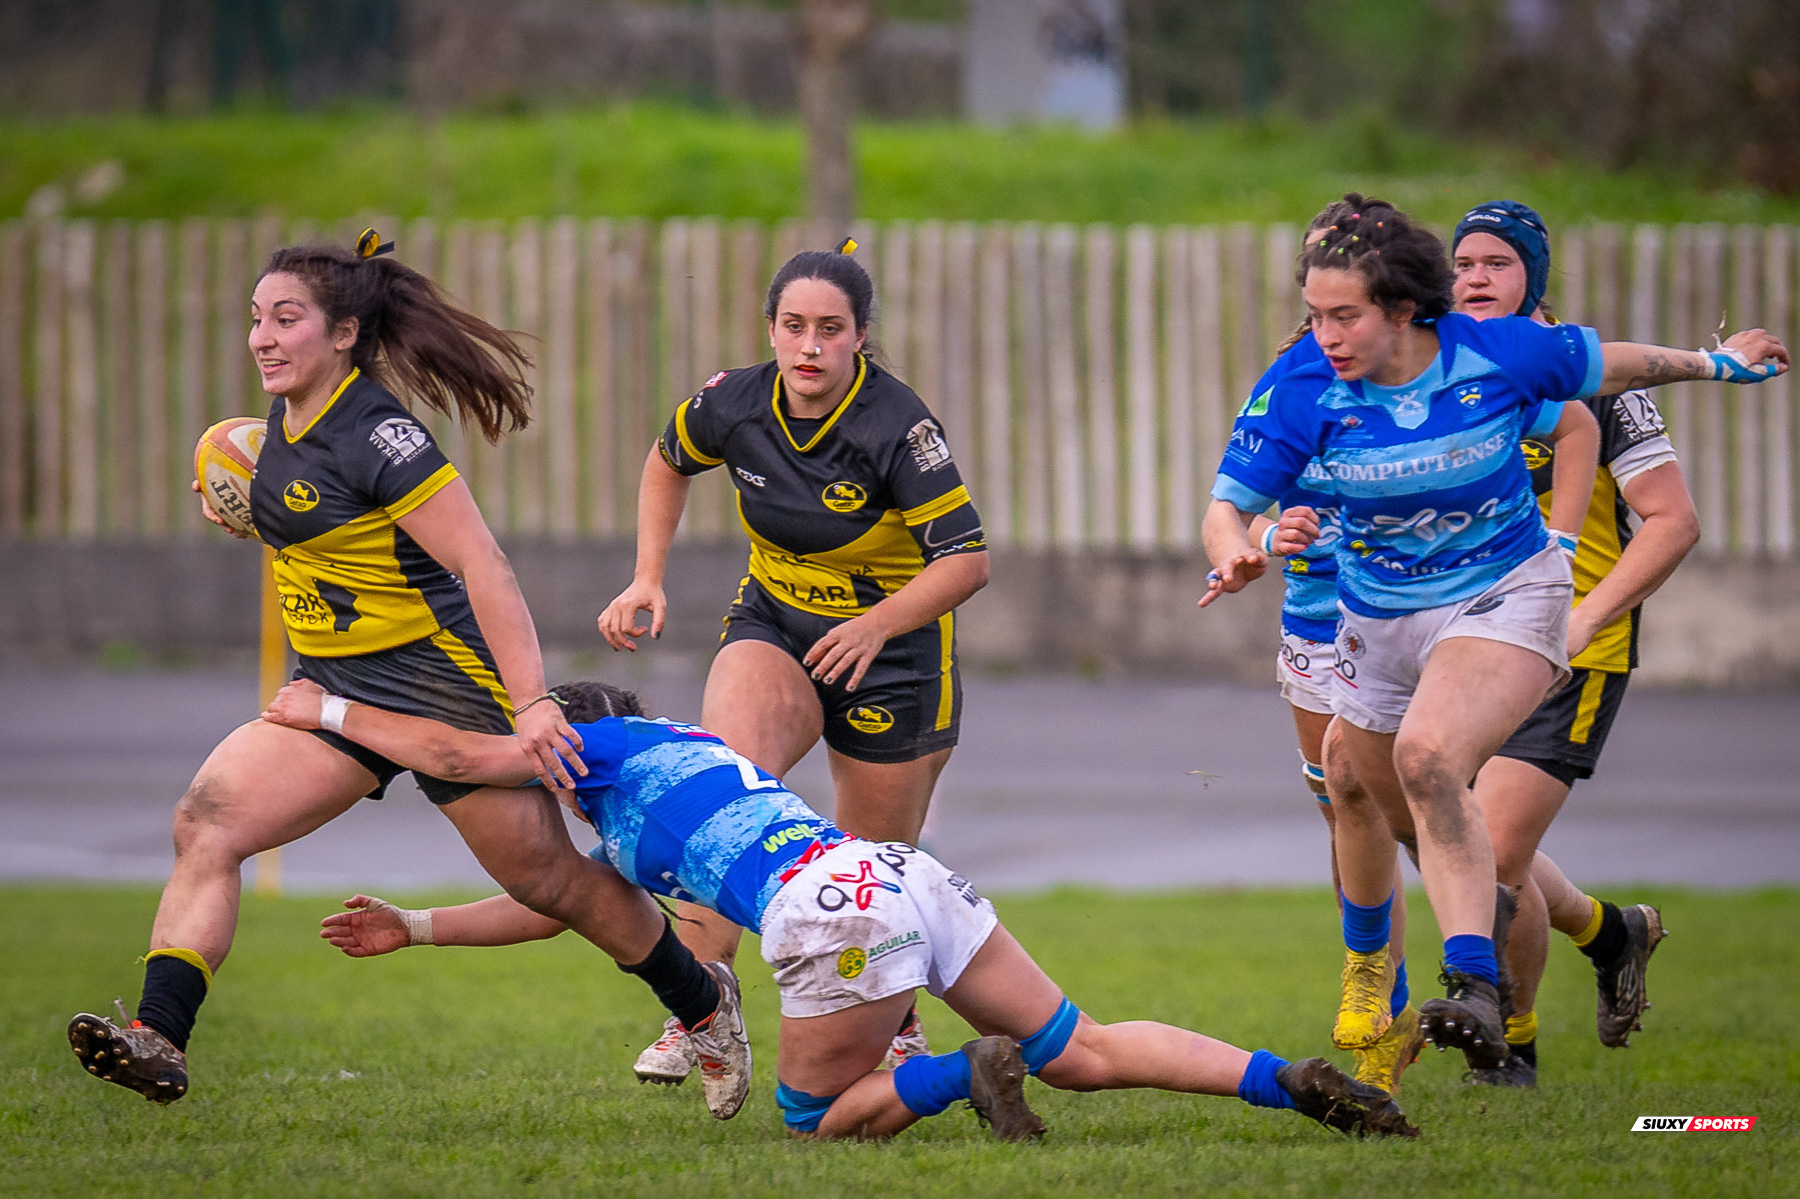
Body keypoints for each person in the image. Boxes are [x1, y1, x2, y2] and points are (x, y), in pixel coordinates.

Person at [67, 231, 748, 1115]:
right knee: (206, 822)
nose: (263, 338)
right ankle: (159, 1035)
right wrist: (251, 504)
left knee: (550, 882)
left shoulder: (380, 437)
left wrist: (531, 702)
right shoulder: (278, 427)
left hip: (443, 688)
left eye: (286, 319)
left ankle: (703, 1003)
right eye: (256, 319)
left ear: (344, 333)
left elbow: (482, 563)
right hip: (331, 693)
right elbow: (319, 523)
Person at [257, 675, 1420, 1143]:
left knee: (813, 1117)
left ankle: (961, 1072)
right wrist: (415, 925)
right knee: (1087, 1047)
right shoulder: (666, 767)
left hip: (827, 909)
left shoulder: (599, 746)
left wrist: (333, 712)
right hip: (896, 871)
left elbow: (461, 753)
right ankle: (1295, 1082)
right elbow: (554, 902)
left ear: (574, 729)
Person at [1199, 194, 1785, 1072]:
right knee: (1395, 804)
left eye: (1343, 315)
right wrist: (1238, 550)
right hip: (1379, 615)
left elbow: (1612, 375)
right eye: (1315, 314)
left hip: (1504, 595)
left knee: (1430, 764)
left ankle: (1479, 996)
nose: (1324, 335)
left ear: (1402, 307)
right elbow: (1228, 505)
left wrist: (1717, 364)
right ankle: (1590, 935)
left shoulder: (1496, 351)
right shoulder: (1303, 383)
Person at [596, 244, 989, 1082]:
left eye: (831, 329)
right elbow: (667, 461)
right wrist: (646, 575)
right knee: (716, 799)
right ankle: (703, 1008)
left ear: (860, 336)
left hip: (895, 656)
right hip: (776, 620)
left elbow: (966, 560)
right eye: (794, 325)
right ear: (771, 329)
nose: (810, 345)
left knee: (871, 875)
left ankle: (897, 1024)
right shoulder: (734, 402)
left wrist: (876, 625)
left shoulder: (899, 426)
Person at [1450, 200, 1697, 1085]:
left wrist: (1588, 617)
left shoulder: (1593, 378)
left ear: (1535, 277)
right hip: (1469, 646)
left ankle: (1509, 1047)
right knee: (1466, 841)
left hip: (1575, 649)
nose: (1475, 277)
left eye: (1497, 262)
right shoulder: (1444, 371)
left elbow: (1673, 522)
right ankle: (1610, 931)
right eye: (1463, 263)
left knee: (1488, 846)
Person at [1237, 200, 1423, 1097]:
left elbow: (1564, 420)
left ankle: (1480, 977)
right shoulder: (1293, 377)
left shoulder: (1443, 365)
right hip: (1316, 624)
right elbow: (1239, 506)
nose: (1326, 312)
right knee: (1354, 816)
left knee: (1398, 801)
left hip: (1418, 620)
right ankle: (1397, 1015)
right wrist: (1268, 537)